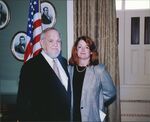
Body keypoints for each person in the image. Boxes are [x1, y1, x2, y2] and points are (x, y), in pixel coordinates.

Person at [16, 27, 71, 121]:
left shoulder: (64, 63)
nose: (55, 44)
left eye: (58, 41)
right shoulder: (30, 67)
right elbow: (23, 104)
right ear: (42, 43)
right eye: (51, 41)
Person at [68, 36, 116, 122]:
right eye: (80, 47)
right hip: (73, 116)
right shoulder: (69, 69)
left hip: (92, 116)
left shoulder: (99, 70)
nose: (83, 50)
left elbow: (111, 92)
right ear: (76, 50)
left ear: (91, 51)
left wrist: (97, 100)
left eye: (86, 47)